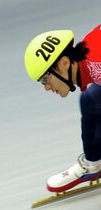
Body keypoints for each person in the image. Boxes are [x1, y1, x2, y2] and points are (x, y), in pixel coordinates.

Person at [24, 25, 101, 192]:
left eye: (45, 79)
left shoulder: (97, 63)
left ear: (64, 63)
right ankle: (93, 163)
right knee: (91, 99)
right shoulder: (91, 58)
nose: (47, 87)